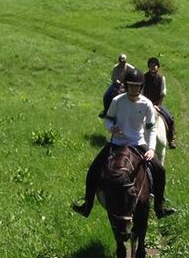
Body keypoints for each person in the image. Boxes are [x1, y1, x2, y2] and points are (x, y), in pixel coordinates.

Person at [74, 68, 175, 219]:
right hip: (117, 143)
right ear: (126, 86)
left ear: (141, 87)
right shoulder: (117, 101)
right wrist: (111, 128)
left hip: (138, 143)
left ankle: (159, 207)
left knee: (160, 170)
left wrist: (152, 149)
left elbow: (151, 128)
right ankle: (86, 205)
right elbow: (108, 119)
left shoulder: (146, 104)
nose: (134, 89)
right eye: (131, 85)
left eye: (137, 86)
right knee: (94, 169)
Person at [143, 57, 177, 149]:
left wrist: (157, 105)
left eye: (155, 66)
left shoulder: (161, 78)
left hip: (158, 104)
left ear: (158, 67)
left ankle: (171, 139)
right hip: (145, 104)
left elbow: (163, 93)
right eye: (151, 66)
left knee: (170, 118)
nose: (153, 68)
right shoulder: (144, 77)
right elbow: (142, 92)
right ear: (148, 67)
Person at [99, 53, 134, 118]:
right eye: (121, 62)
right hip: (116, 85)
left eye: (124, 62)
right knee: (107, 95)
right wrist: (117, 81)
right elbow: (113, 78)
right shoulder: (116, 67)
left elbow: (135, 73)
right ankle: (105, 110)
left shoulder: (130, 68)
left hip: (126, 85)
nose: (122, 63)